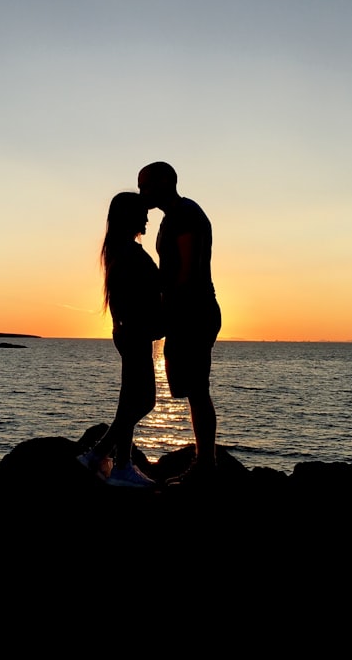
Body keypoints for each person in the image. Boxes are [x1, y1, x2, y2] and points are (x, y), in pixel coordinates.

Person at [137, 161, 221, 486]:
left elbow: (188, 271)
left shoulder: (186, 214)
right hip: (184, 312)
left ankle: (206, 466)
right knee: (192, 390)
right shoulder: (171, 218)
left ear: (164, 182)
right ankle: (206, 465)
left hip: (194, 312)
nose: (141, 191)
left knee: (198, 390)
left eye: (145, 185)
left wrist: (166, 315)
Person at [77, 191, 164, 488]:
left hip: (130, 332)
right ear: (130, 215)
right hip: (134, 333)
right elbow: (131, 298)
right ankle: (100, 453)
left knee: (128, 402)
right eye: (143, 212)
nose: (148, 217)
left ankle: (123, 465)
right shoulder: (128, 252)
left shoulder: (120, 248)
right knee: (145, 401)